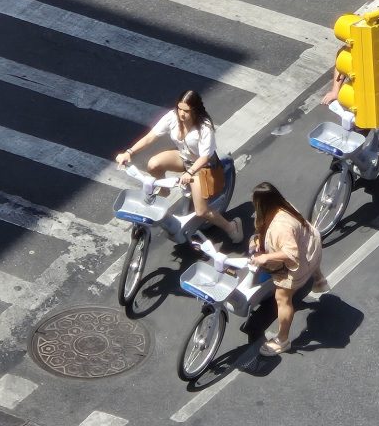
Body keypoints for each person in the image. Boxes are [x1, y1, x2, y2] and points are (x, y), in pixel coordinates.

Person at [114, 90, 242, 243]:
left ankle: (231, 227)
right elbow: (150, 137)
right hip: (184, 158)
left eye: (186, 111)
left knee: (201, 211)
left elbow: (204, 157)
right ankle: (164, 190)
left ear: (195, 110)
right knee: (153, 164)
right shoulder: (172, 117)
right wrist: (129, 152)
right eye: (179, 108)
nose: (181, 113)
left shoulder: (204, 127)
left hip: (202, 167)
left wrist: (190, 172)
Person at [322, 44, 379, 215]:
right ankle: (342, 165)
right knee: (354, 132)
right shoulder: (346, 54)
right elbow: (340, 68)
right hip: (365, 102)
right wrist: (335, 91)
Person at [248, 182, 328, 356]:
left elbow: (291, 254)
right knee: (308, 257)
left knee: (282, 298)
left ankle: (282, 340)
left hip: (303, 259)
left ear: (263, 203)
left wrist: (265, 257)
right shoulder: (283, 205)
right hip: (311, 244)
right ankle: (319, 278)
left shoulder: (281, 227)